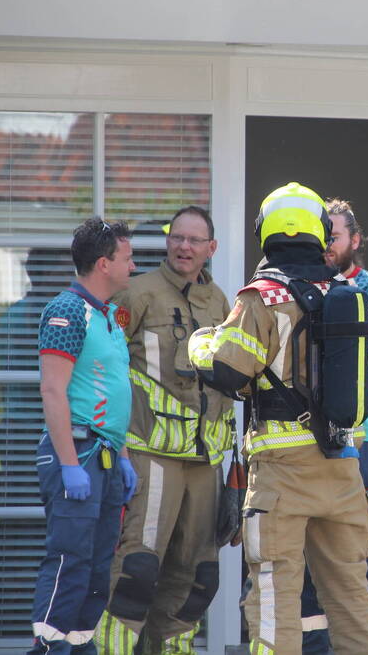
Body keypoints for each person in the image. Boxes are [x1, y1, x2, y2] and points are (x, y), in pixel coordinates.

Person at [188, 182, 368, 654]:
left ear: (266, 232)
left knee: (274, 601)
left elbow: (228, 371)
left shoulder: (261, 298)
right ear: (319, 233)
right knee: (353, 598)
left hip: (283, 473)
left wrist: (200, 342)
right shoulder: (347, 293)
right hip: (343, 469)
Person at [95, 206, 236, 655]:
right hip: (150, 456)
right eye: (177, 237)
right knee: (136, 571)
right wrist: (113, 444)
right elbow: (104, 368)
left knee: (197, 577)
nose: (183, 247)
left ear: (211, 248)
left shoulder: (222, 302)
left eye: (194, 240)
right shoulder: (136, 294)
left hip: (206, 462)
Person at [28, 217, 138, 655]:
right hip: (77, 454)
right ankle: (48, 648)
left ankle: (79, 646)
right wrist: (70, 465)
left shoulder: (108, 315)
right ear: (103, 263)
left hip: (105, 455)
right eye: (127, 258)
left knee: (96, 568)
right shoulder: (68, 311)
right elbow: (52, 390)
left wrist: (123, 457)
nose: (133, 266)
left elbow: (112, 393)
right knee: (69, 561)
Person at [299, 199, 368, 653]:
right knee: (307, 571)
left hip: (361, 445)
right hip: (307, 445)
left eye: (334, 236)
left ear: (355, 240)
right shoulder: (303, 288)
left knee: (364, 561)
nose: (326, 245)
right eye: (321, 236)